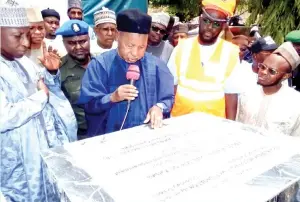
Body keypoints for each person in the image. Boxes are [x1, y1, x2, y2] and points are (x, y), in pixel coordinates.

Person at [0, 6, 74, 201]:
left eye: (27, 34)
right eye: (18, 36)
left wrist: (51, 73)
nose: (26, 42)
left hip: (42, 148)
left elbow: (48, 93)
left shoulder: (23, 61)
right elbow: (4, 117)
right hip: (18, 159)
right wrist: (41, 96)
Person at [78, 9, 174, 135]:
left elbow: (167, 98)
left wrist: (159, 107)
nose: (135, 53)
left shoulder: (157, 66)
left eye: (141, 47)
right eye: (130, 46)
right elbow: (89, 104)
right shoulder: (99, 65)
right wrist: (112, 97)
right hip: (109, 138)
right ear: (117, 36)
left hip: (145, 137)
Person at [168, 0, 240, 120]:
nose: (209, 27)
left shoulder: (231, 53)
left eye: (216, 24)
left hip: (213, 125)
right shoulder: (181, 47)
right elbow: (171, 86)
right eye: (206, 21)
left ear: (223, 26)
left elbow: (231, 94)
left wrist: (229, 127)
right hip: (180, 120)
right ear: (200, 20)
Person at [26, 8, 78, 140]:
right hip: (30, 116)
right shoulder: (15, 55)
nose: (37, 32)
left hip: (57, 113)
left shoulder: (53, 50)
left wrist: (52, 71)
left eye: (40, 27)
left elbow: (56, 87)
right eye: (32, 28)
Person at [236, 42, 300, 136]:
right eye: (263, 67)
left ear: (285, 76)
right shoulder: (247, 95)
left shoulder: (295, 103)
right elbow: (239, 127)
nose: (263, 72)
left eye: (272, 71)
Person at [57, 19, 93, 139]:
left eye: (83, 41)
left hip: (108, 128)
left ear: (89, 39)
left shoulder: (102, 63)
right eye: (71, 43)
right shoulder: (58, 70)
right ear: (64, 43)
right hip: (81, 135)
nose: (78, 47)